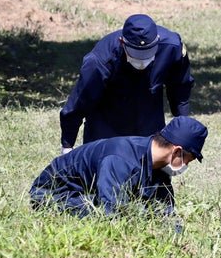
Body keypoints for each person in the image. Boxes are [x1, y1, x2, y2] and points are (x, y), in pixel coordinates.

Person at [59, 14, 194, 154]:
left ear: (157, 42)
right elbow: (80, 101)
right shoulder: (100, 60)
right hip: (106, 124)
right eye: (136, 53)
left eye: (147, 52)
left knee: (150, 172)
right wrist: (67, 146)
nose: (142, 61)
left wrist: (181, 127)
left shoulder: (172, 47)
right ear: (122, 42)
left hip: (149, 121)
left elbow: (180, 87)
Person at [30, 116, 208, 217]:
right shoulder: (120, 160)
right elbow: (112, 212)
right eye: (188, 160)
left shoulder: (157, 162)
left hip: (89, 192)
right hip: (52, 195)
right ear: (177, 151)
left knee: (142, 211)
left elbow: (164, 210)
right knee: (108, 212)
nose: (186, 166)